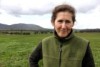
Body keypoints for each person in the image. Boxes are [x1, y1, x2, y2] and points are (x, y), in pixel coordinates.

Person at [29, 4, 95, 67]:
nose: (63, 26)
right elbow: (32, 59)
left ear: (73, 23)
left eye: (68, 22)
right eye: (60, 21)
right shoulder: (45, 43)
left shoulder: (83, 45)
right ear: (53, 22)